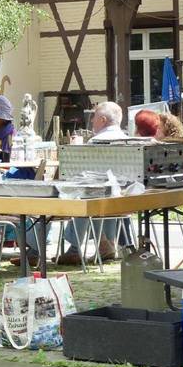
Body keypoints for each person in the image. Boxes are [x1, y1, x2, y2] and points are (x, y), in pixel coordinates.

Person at [58, 101, 129, 265]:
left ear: (103, 120)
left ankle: (75, 248)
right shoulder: (127, 140)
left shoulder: (96, 141)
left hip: (100, 202)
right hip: (124, 200)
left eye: (94, 118)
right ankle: (107, 243)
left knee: (83, 196)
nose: (91, 122)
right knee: (108, 192)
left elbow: (81, 176)